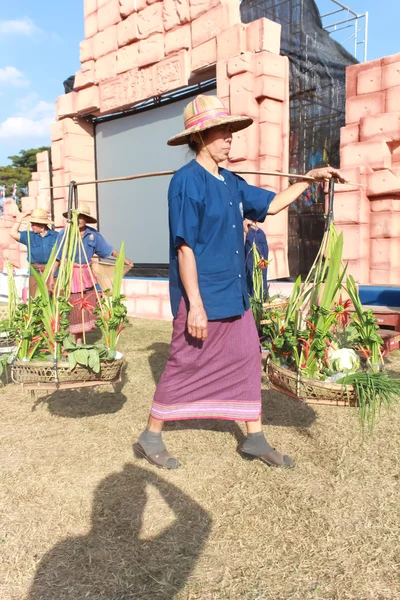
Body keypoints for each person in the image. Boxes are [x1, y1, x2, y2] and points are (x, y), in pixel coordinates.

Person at [135, 95, 345, 470]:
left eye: (232, 131)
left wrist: (308, 180)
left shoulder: (232, 182)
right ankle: (150, 436)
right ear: (199, 137)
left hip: (235, 293)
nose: (230, 137)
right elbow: (184, 249)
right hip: (201, 294)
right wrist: (195, 305)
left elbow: (274, 204)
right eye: (223, 131)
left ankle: (255, 439)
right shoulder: (186, 183)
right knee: (185, 363)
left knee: (248, 358)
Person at [50, 202, 133, 344]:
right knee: (74, 306)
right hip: (72, 276)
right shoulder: (65, 233)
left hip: (87, 275)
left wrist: (124, 259)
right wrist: (51, 276)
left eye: (82, 216)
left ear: (87, 219)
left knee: (88, 306)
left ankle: (80, 339)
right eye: (77, 216)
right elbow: (58, 256)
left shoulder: (93, 235)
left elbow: (108, 250)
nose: (79, 219)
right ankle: (76, 341)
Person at [9, 208, 59, 297]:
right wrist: (21, 217)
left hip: (54, 273)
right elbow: (13, 233)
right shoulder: (29, 236)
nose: (32, 226)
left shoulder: (56, 236)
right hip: (35, 274)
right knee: (36, 302)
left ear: (42, 225)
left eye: (34, 224)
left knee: (55, 301)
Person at [244, 219, 269, 297]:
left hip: (257, 267)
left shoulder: (259, 233)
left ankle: (260, 298)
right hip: (250, 276)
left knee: (259, 276)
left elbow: (264, 257)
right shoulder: (259, 233)